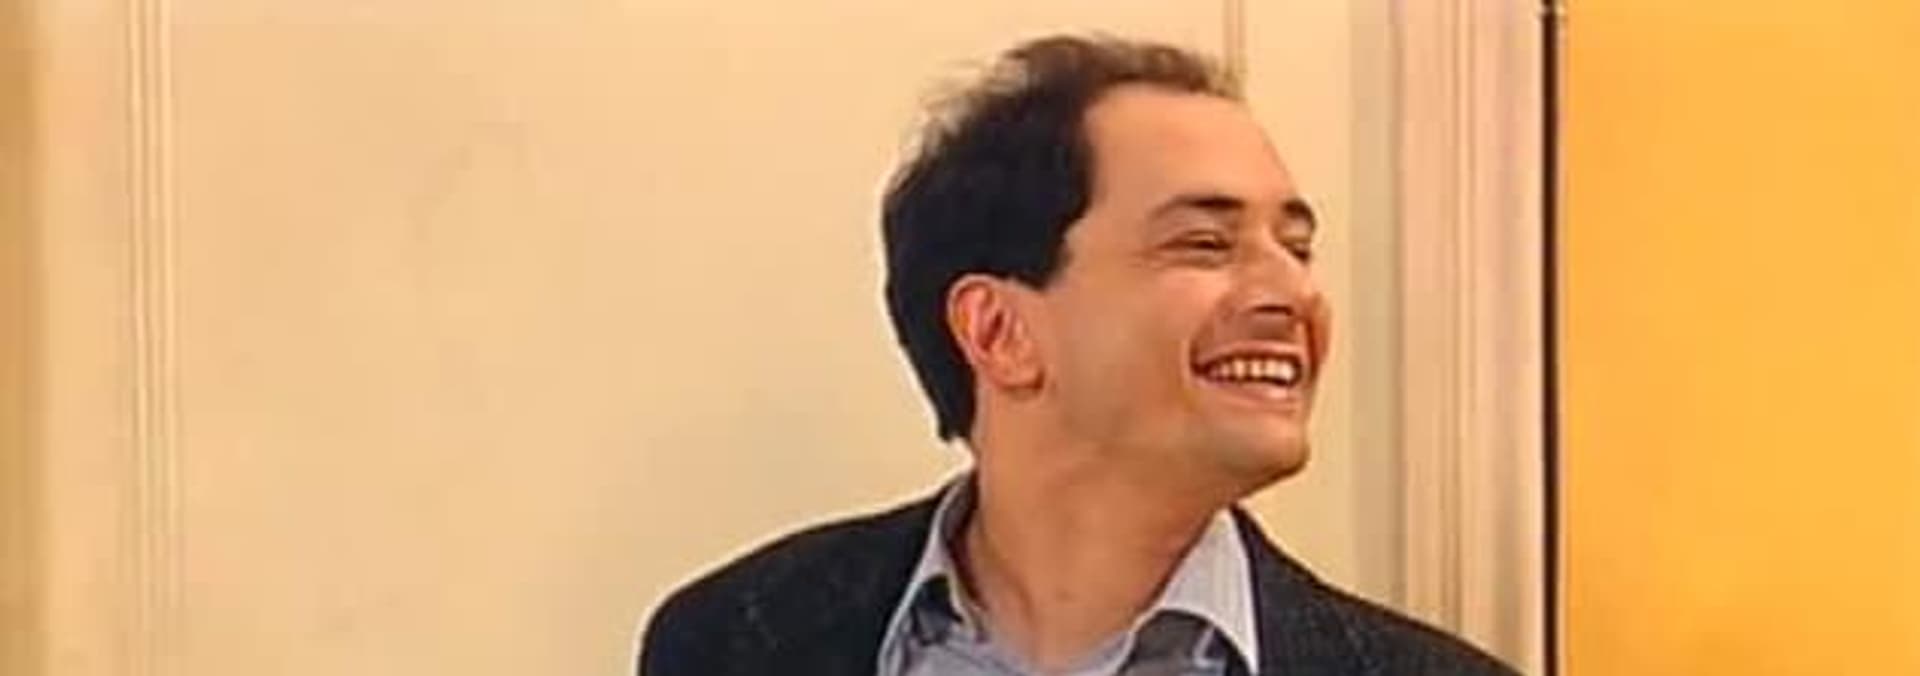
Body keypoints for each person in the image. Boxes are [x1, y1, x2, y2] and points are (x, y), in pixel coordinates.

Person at [638, 34, 1518, 676]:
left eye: (1297, 247)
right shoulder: (735, 638)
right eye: (1205, 244)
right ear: (999, 332)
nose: (1290, 293)